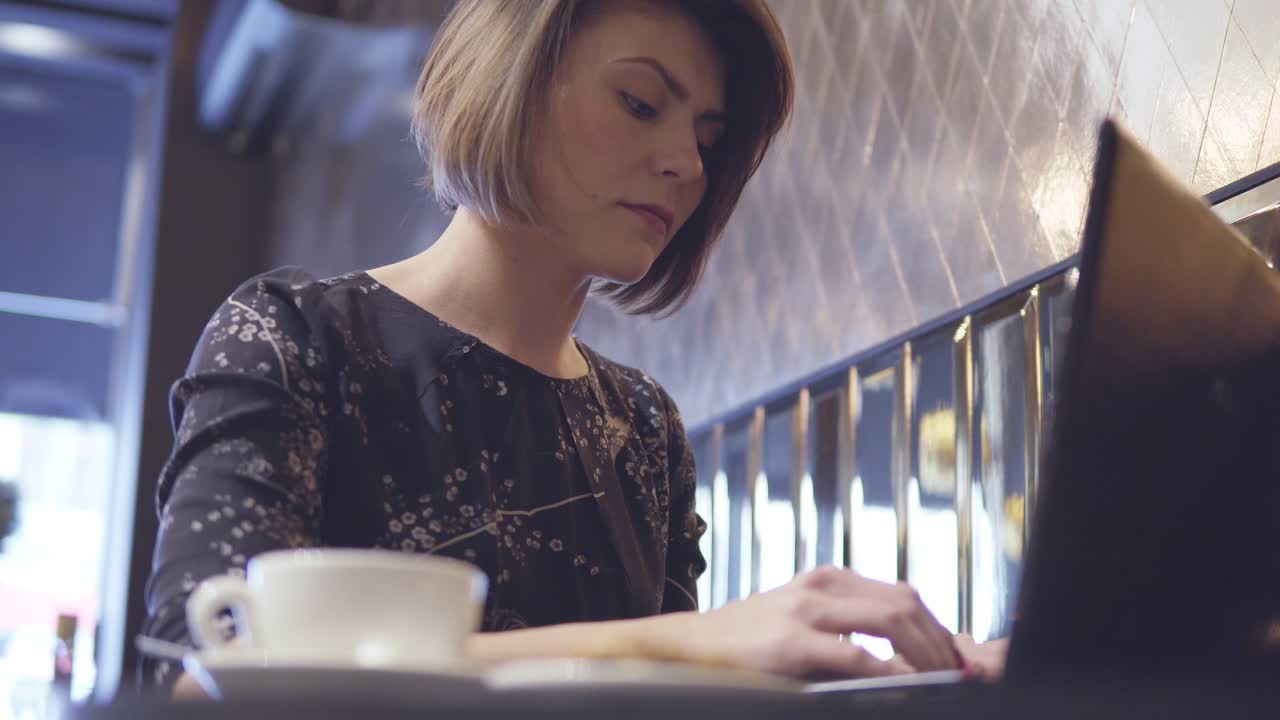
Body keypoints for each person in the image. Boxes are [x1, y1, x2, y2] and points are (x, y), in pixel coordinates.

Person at [141, 0, 1006, 696]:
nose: (687, 165)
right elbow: (191, 676)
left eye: (707, 136)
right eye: (639, 102)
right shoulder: (293, 338)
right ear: (506, 84)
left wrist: (910, 683)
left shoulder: (643, 428)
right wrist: (683, 643)